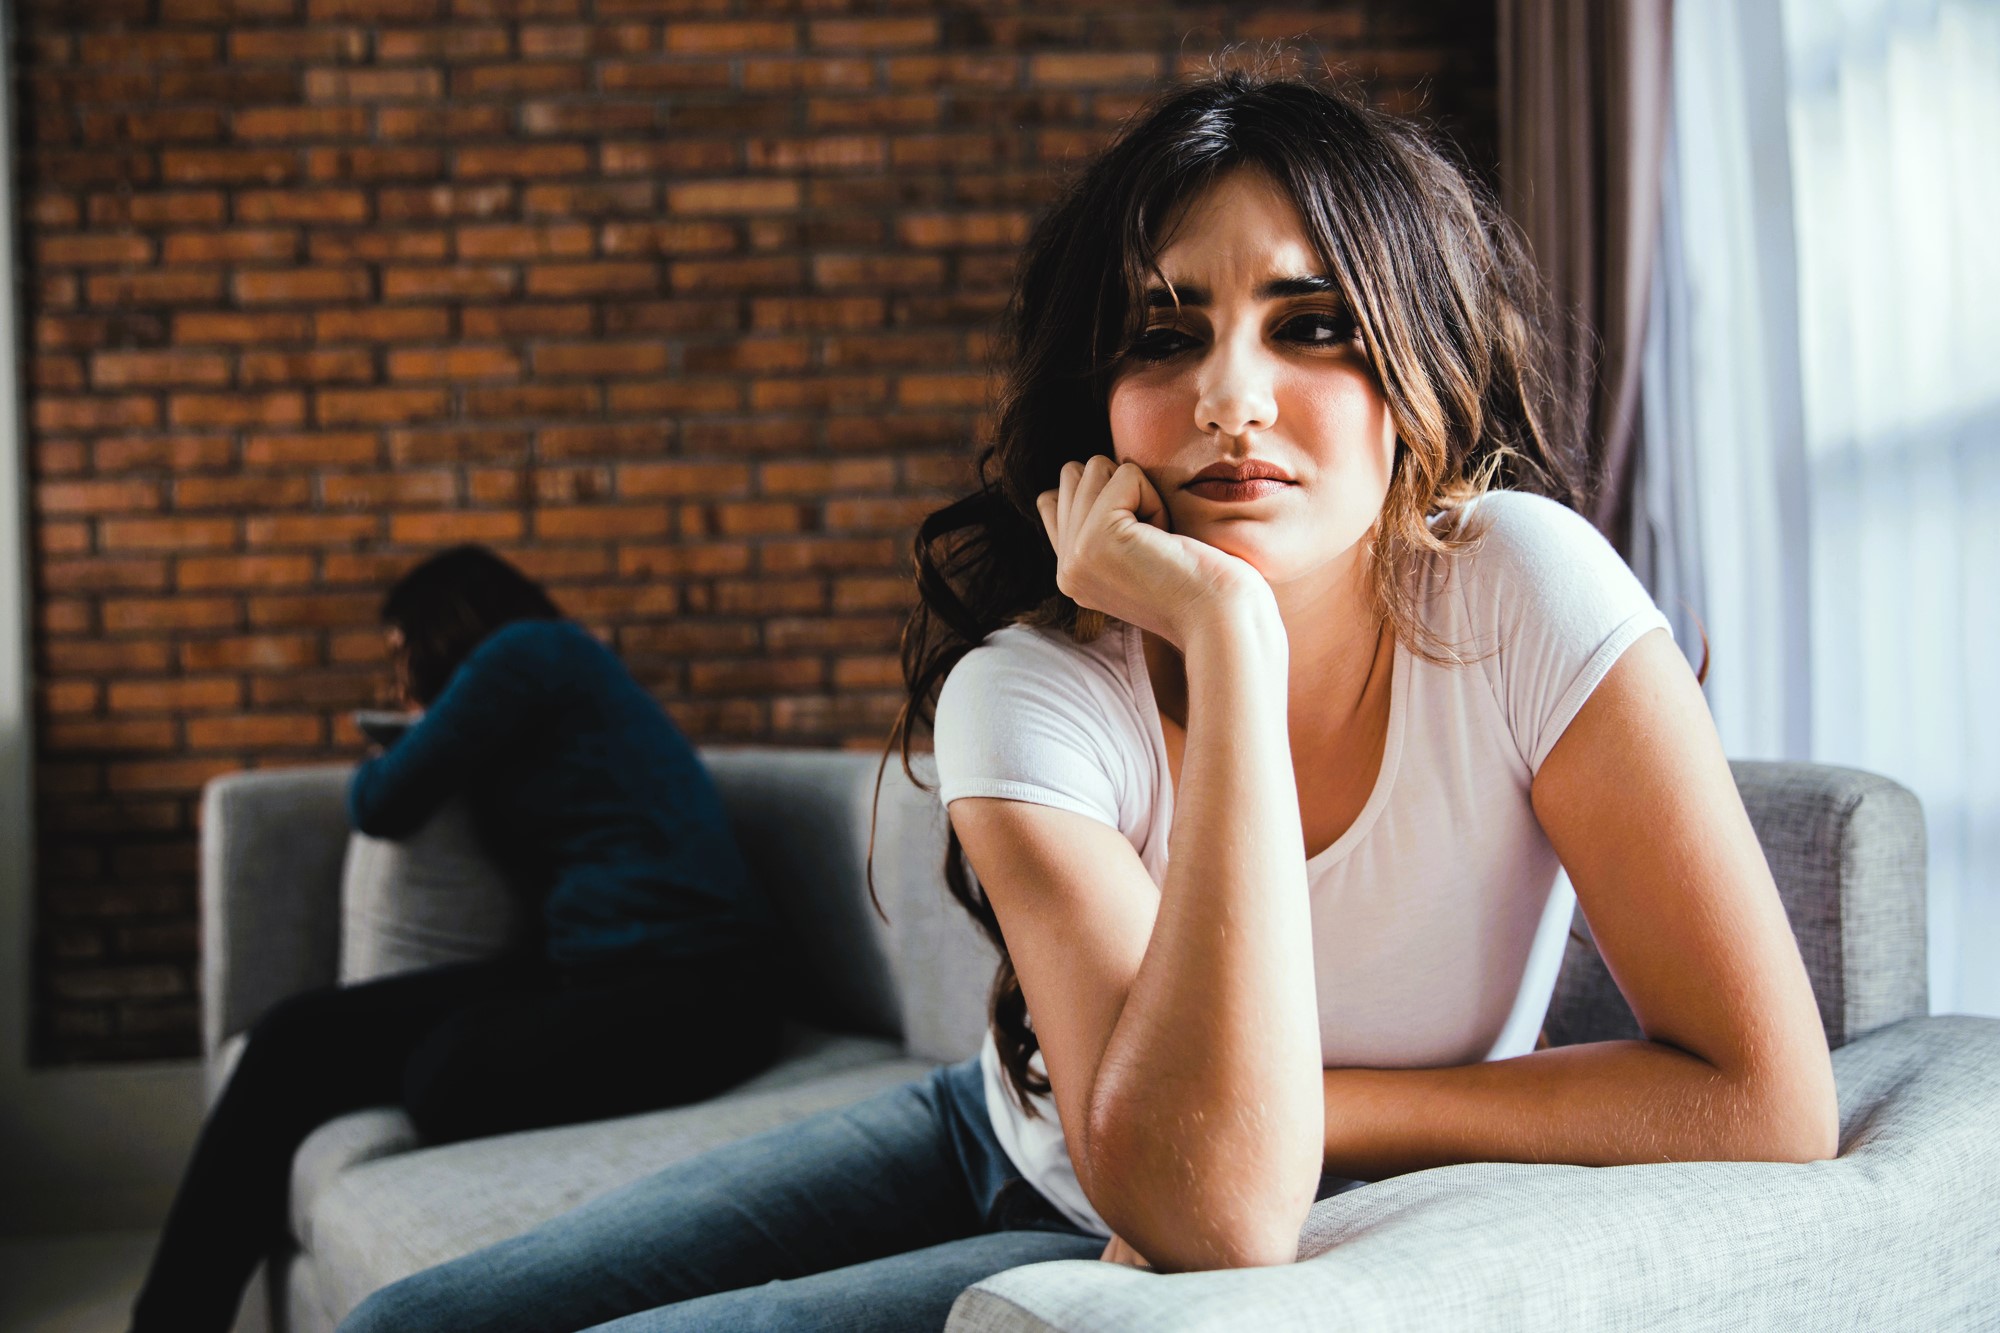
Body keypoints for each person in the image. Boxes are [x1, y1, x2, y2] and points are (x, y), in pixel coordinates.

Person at [337, 69, 1837, 1332]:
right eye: (1163, 334)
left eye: (1312, 325)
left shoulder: (1523, 587)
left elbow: (1760, 1105)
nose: (1228, 399)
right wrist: (1225, 633)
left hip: (1142, 1199)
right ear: (1096, 410)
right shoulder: (1032, 686)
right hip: (1004, 1125)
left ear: (1417, 375)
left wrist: (1317, 1106)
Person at [130, 545, 783, 1333]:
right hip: (587, 966)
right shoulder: (547, 673)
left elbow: (382, 799)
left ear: (442, 625)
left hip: (700, 987)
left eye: (401, 648)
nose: (399, 675)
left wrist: (403, 737)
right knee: (292, 1036)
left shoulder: (527, 651)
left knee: (448, 1078)